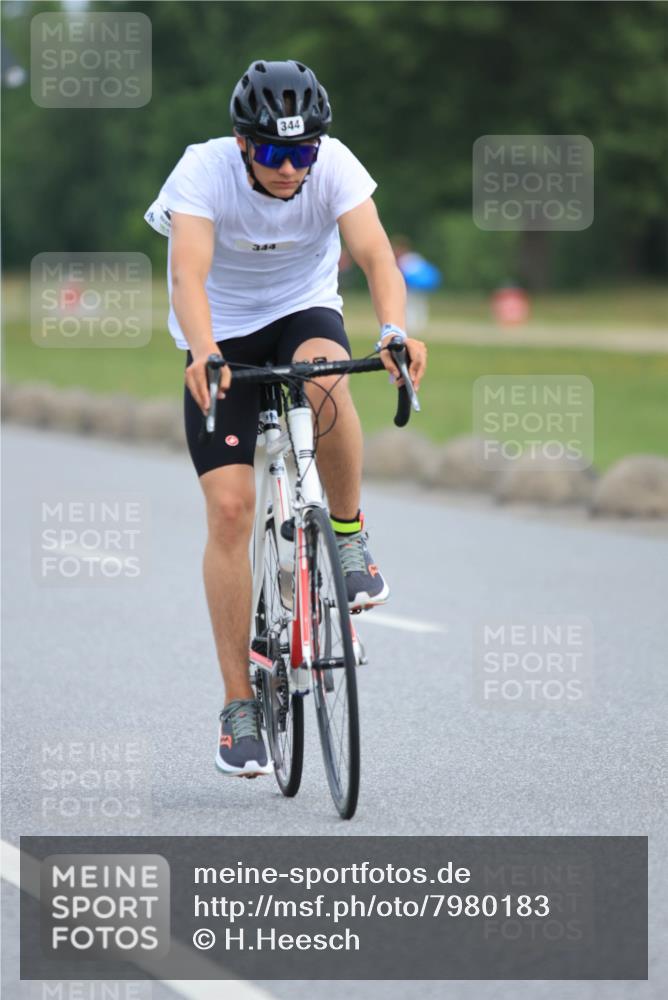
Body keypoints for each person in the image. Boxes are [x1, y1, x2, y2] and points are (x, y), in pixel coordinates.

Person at [145, 60, 427, 778]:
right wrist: (204, 352)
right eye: (272, 152)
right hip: (224, 334)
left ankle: (349, 534)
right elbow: (188, 276)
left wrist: (393, 330)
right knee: (233, 511)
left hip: (302, 308)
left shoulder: (332, 166)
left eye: (301, 153)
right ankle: (239, 704)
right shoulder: (201, 172)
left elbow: (375, 257)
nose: (288, 168)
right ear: (243, 145)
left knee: (330, 379)